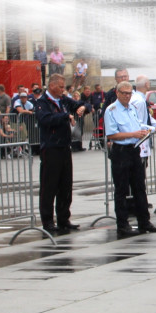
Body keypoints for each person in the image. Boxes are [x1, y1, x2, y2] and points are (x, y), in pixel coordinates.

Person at [104, 81, 156, 239]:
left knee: (139, 187)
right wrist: (132, 134)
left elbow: (139, 125)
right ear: (117, 93)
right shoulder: (111, 110)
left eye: (129, 93)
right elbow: (111, 134)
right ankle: (122, 225)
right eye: (123, 93)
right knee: (122, 190)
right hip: (121, 151)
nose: (126, 96)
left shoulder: (131, 108)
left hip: (134, 150)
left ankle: (144, 221)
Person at [34, 74, 90, 235]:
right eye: (60, 87)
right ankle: (48, 221)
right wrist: (65, 116)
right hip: (51, 148)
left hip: (65, 146)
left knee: (66, 185)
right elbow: (45, 119)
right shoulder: (42, 102)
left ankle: (64, 218)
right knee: (49, 186)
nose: (62, 90)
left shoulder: (64, 100)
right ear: (51, 86)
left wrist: (82, 108)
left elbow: (84, 104)